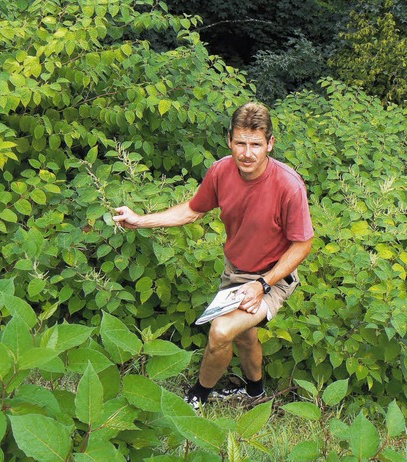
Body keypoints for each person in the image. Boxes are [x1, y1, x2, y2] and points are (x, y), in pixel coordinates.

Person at [113, 102, 313, 409]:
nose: (247, 153)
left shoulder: (289, 186)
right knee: (245, 336)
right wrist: (140, 219)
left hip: (273, 276)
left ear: (270, 144)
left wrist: (262, 285)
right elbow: (193, 210)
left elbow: (302, 245)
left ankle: (196, 398)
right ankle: (256, 396)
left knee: (221, 331)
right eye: (241, 143)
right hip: (236, 271)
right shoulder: (221, 171)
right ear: (229, 140)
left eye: (256, 144)